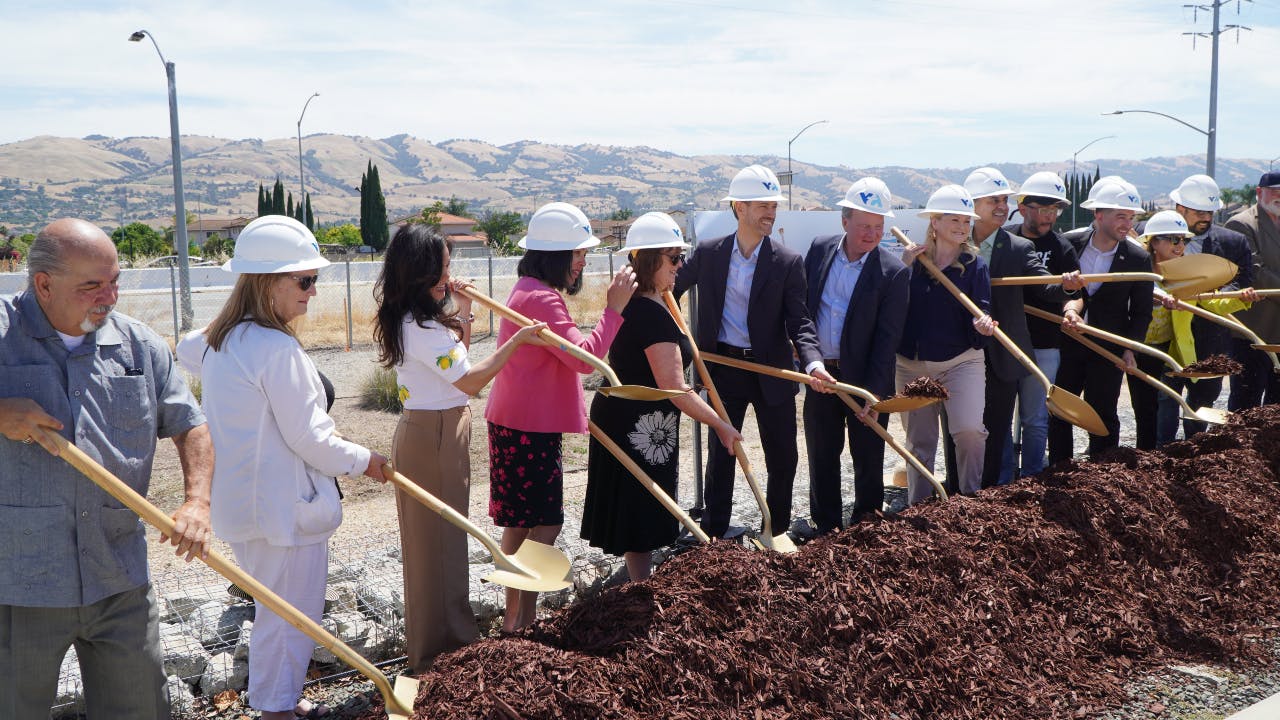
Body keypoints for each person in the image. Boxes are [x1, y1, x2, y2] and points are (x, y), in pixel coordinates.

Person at [176, 215, 388, 720]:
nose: (313, 292)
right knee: (290, 615)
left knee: (273, 611)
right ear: (268, 281)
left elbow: (186, 344)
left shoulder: (219, 343)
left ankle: (276, 701)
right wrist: (368, 461)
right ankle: (276, 709)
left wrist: (238, 306)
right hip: (286, 513)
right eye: (305, 279)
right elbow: (310, 438)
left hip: (247, 510)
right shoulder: (276, 349)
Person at [0, 218, 213, 719]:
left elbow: (191, 425)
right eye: (92, 285)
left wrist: (197, 502)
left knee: (140, 709)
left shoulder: (140, 346)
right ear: (44, 284)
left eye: (114, 280)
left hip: (118, 579)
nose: (109, 296)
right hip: (18, 584)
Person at [372, 224, 548, 671]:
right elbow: (470, 381)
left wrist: (465, 309)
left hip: (443, 428)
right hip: (432, 434)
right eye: (444, 268)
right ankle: (436, 651)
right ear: (423, 272)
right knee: (434, 545)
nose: (450, 275)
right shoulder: (419, 326)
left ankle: (450, 640)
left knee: (448, 539)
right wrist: (515, 341)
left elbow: (459, 365)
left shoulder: (427, 320)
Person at [485, 201, 637, 631]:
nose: (582, 261)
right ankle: (523, 619)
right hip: (529, 428)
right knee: (545, 522)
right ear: (554, 255)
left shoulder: (529, 289)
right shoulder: (541, 298)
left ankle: (515, 620)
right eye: (577, 253)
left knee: (520, 521)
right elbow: (585, 359)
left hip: (517, 422)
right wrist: (615, 308)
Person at [673, 164, 832, 540]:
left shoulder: (787, 261)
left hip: (772, 371)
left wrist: (813, 362)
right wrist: (674, 339)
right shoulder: (709, 254)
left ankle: (773, 532)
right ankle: (715, 533)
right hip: (721, 369)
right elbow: (669, 287)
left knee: (783, 456)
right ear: (739, 207)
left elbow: (801, 323)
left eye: (773, 205)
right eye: (762, 205)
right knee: (722, 452)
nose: (771, 212)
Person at [581, 213, 741, 581]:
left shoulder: (658, 302)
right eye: (673, 257)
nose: (680, 265)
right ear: (651, 259)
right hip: (635, 422)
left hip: (642, 417)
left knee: (645, 508)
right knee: (641, 509)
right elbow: (674, 388)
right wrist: (719, 423)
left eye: (680, 256)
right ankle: (641, 589)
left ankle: (641, 585)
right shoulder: (648, 314)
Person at [963, 168, 1083, 488]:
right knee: (967, 424)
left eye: (1004, 200)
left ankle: (1002, 485)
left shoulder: (1018, 248)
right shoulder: (954, 241)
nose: (1002, 206)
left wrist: (1067, 287)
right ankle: (967, 483)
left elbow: (1043, 287)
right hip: (960, 349)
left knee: (1001, 421)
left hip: (1004, 349)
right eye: (994, 200)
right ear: (972, 203)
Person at [802, 178, 909, 534]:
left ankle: (866, 525)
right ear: (844, 221)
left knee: (868, 457)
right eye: (864, 226)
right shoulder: (819, 250)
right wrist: (810, 362)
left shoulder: (894, 273)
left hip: (864, 380)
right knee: (822, 456)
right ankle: (827, 528)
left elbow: (887, 340)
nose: (871, 234)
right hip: (821, 378)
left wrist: (874, 397)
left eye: (878, 227)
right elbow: (804, 312)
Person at [896, 185, 996, 504]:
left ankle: (970, 500)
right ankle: (919, 507)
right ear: (934, 222)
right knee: (920, 441)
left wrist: (983, 324)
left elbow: (983, 310)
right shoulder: (912, 261)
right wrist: (904, 267)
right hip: (912, 364)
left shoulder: (975, 265)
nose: (963, 227)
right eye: (954, 219)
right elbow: (892, 308)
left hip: (960, 361)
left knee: (968, 432)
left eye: (966, 222)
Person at [1050, 180, 1154, 462]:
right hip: (1067, 342)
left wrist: (1130, 348)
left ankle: (1103, 471)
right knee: (1059, 408)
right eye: (1120, 216)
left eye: (1131, 217)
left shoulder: (1138, 257)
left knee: (1104, 412)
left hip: (1108, 348)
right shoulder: (1069, 245)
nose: (1127, 223)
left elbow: (1142, 311)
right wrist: (1066, 311)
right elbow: (1053, 290)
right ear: (1098, 215)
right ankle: (1058, 469)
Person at [1130, 211, 1252, 448]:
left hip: (1168, 351)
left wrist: (1242, 298)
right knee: (1145, 407)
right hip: (1136, 348)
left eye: (1183, 240)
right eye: (1174, 239)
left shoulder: (1187, 275)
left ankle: (1168, 452)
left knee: (1165, 400)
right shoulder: (1138, 270)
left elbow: (1212, 302)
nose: (1180, 245)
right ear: (1154, 242)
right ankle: (1149, 452)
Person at [1156, 174, 1254, 434]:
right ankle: (1159, 452)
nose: (1207, 218)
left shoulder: (1233, 243)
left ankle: (1194, 449)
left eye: (1210, 212)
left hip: (1212, 337)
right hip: (1167, 337)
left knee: (1203, 400)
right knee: (1165, 398)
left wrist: (1219, 296)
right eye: (1200, 212)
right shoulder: (1157, 237)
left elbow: (1242, 280)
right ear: (1180, 208)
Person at [1005, 171, 1081, 478]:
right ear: (1023, 208)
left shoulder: (1062, 248)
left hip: (1045, 342)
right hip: (1004, 340)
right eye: (1043, 209)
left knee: (1035, 417)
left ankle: (1032, 476)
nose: (1050, 216)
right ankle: (1001, 478)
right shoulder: (1004, 239)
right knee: (998, 416)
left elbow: (1075, 293)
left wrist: (1072, 311)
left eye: (1055, 210)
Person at [1226, 172, 1280, 409]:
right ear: (1259, 193)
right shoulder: (1241, 224)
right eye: (1274, 190)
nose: (1279, 196)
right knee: (1245, 403)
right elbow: (1255, 272)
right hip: (1253, 331)